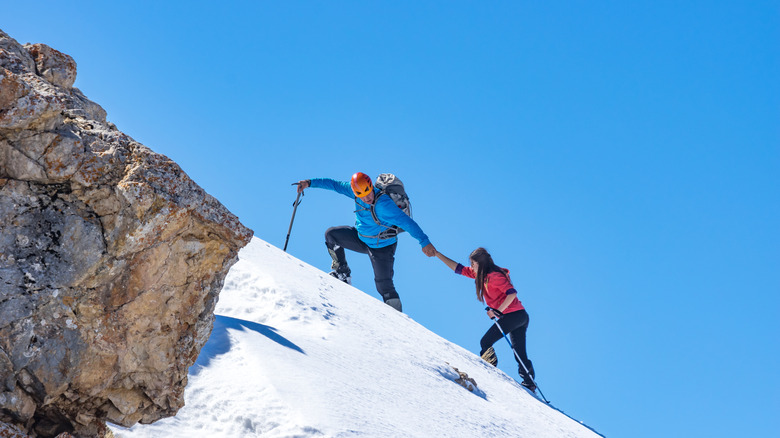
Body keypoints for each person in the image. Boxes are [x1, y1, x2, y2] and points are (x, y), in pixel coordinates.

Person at [295, 172, 437, 312]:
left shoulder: (384, 205)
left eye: (369, 193)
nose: (368, 198)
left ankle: (399, 320)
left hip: (382, 247)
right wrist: (309, 183)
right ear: (356, 193)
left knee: (383, 285)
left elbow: (407, 223)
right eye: (362, 196)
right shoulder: (354, 193)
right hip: (361, 239)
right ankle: (342, 274)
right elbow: (334, 185)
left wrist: (424, 242)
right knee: (331, 235)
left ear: (371, 187)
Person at [435, 247, 537, 391]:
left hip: (515, 316)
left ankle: (491, 371)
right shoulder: (480, 275)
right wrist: (437, 254)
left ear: (481, 264)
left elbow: (512, 293)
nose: (471, 267)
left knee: (486, 342)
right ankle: (530, 382)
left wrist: (497, 311)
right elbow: (458, 268)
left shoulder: (495, 276)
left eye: (473, 264)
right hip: (518, 316)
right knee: (519, 352)